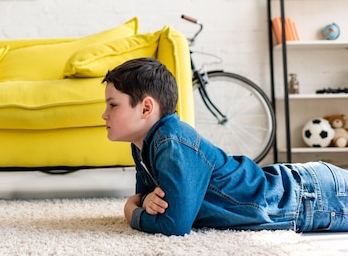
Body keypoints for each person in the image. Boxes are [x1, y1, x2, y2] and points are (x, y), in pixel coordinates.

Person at [101, 57, 348, 236]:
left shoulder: (172, 142)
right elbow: (148, 199)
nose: (104, 115)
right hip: (301, 192)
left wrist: (130, 211)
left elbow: (173, 225)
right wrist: (143, 202)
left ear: (146, 108)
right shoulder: (142, 143)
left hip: (310, 197)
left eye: (113, 105)